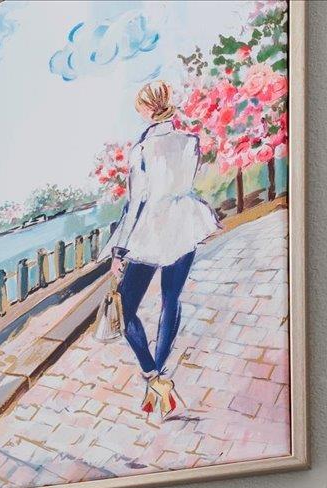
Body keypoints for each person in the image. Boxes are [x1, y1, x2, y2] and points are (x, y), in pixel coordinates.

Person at [106, 80, 219, 415]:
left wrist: (119, 252)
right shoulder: (191, 142)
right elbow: (182, 184)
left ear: (146, 109)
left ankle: (152, 374)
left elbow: (135, 203)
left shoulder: (141, 150)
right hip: (184, 223)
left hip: (151, 231)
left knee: (125, 309)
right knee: (172, 300)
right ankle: (160, 374)